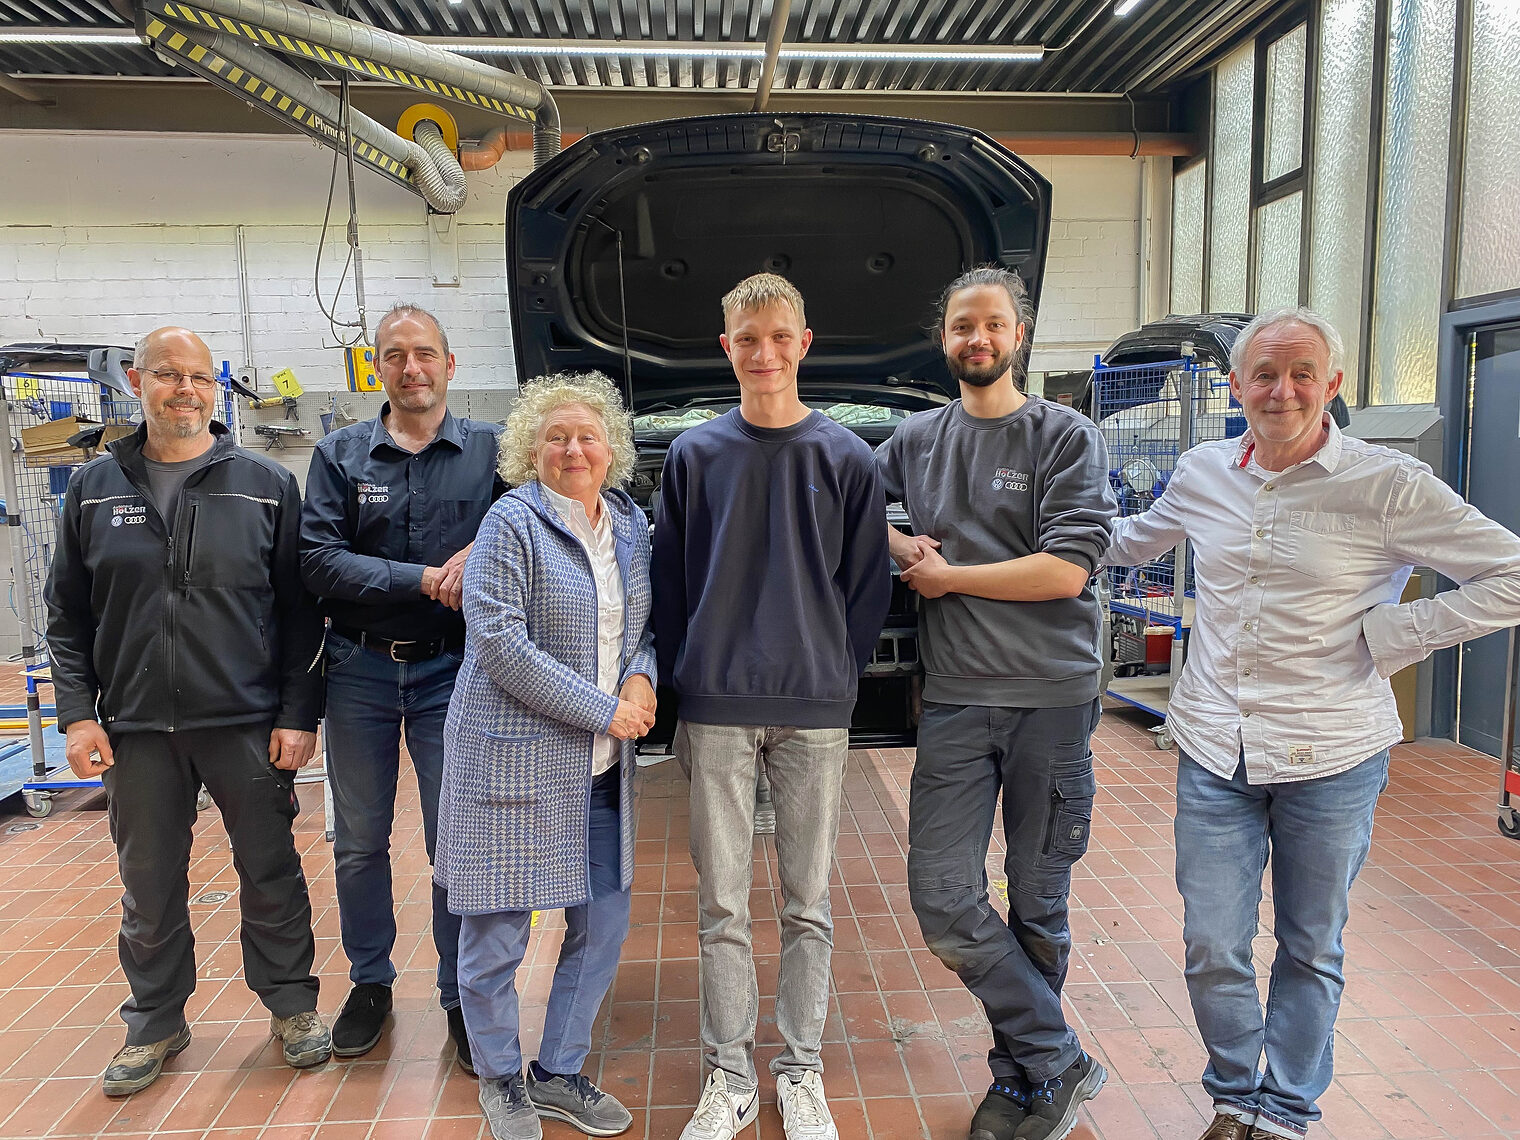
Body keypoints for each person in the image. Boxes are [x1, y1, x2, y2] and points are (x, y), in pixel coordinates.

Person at [1104, 307, 1520, 1140]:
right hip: (1215, 747)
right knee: (1212, 944)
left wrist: (1396, 633)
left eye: (1302, 373)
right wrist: (1000, 538)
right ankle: (1233, 1092)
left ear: (1333, 385)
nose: (1282, 390)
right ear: (1237, 385)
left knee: (1309, 944)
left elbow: (1510, 572)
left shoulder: (1387, 484)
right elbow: (1128, 543)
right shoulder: (1202, 470)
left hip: (1332, 754)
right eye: (1264, 373)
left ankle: (1286, 1107)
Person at [45, 326, 330, 1096]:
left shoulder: (264, 483)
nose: (185, 390)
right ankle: (155, 1021)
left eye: (200, 377)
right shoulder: (93, 489)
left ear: (216, 388)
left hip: (242, 719)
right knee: (149, 881)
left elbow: (303, 613)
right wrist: (78, 716)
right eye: (169, 375)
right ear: (137, 382)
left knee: (270, 870)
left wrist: (298, 715)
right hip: (136, 727)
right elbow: (67, 618)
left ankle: (292, 1006)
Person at [874, 267, 1114, 1140]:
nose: (977, 339)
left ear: (1020, 335)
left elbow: (1067, 570)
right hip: (957, 703)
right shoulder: (915, 439)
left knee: (1038, 903)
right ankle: (1059, 1057)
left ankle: (1023, 1082)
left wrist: (944, 576)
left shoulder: (1065, 436)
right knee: (942, 896)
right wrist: (899, 540)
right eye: (961, 326)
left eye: (993, 325)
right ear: (943, 339)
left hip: (1050, 701)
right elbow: (850, 502)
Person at [652, 273, 892, 1140]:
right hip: (715, 704)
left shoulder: (848, 458)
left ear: (804, 342)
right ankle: (729, 1077)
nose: (763, 352)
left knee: (807, 903)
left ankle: (800, 1073)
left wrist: (833, 667)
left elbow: (868, 587)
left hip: (814, 706)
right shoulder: (693, 457)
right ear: (727, 347)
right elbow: (668, 579)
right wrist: (687, 676)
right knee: (720, 903)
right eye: (746, 337)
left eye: (778, 336)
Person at [435, 371, 655, 1140]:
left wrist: (640, 677)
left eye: (587, 435)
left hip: (600, 769)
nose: (572, 448)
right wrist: (609, 710)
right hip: (514, 763)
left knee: (602, 924)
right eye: (555, 436)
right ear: (531, 449)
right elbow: (499, 643)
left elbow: (642, 631)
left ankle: (558, 1072)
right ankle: (500, 1079)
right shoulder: (510, 522)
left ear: (611, 449)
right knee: (497, 933)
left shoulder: (628, 523)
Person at [300, 303, 505, 1070]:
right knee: (357, 841)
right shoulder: (339, 456)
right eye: (394, 355)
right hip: (356, 670)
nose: (410, 367)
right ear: (376, 369)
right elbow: (318, 559)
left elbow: (530, 524)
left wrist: (479, 550)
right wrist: (422, 577)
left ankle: (460, 992)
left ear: (450, 365)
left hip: (455, 671)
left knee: (455, 843)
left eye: (424, 353)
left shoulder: (492, 450)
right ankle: (371, 983)